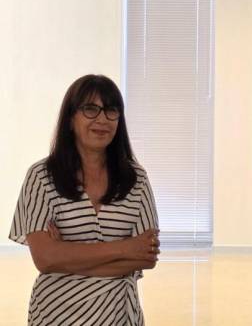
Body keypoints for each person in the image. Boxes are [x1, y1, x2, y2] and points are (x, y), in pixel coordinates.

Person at [9, 74, 159, 325]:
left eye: (111, 110)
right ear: (70, 119)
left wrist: (66, 254)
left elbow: (146, 257)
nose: (102, 119)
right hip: (56, 314)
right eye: (90, 109)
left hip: (119, 315)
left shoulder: (136, 179)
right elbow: (44, 259)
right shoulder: (42, 176)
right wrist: (124, 248)